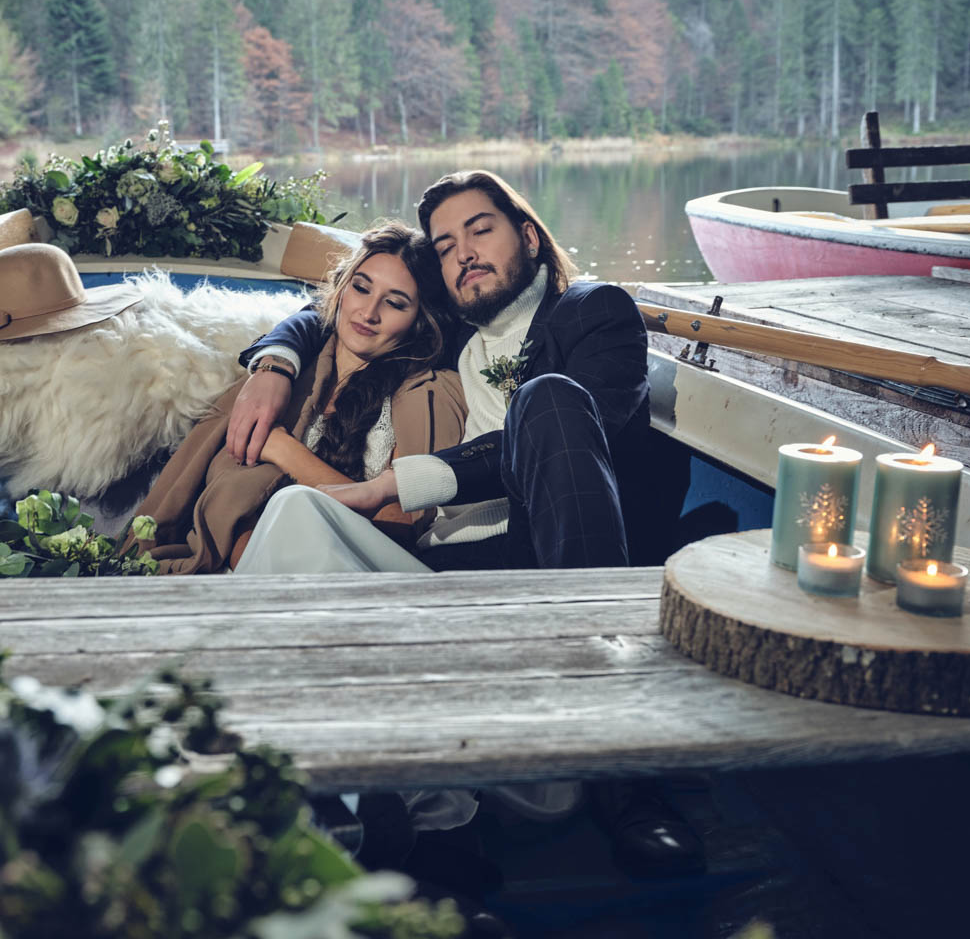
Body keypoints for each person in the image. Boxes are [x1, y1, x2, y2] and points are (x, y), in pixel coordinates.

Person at [228, 171, 704, 876]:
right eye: (446, 247)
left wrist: (395, 484)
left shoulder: (594, 314)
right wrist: (275, 359)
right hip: (440, 579)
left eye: (480, 230)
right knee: (296, 507)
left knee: (547, 399)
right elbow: (332, 312)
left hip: (547, 578)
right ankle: (326, 795)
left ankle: (624, 772)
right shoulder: (452, 326)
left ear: (531, 237)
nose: (463, 256)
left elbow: (585, 427)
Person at [131, 221, 466, 574]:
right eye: (361, 288)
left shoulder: (430, 395)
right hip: (258, 570)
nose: (368, 313)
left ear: (419, 320)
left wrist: (284, 450)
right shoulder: (274, 377)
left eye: (395, 303)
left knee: (295, 504)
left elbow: (400, 524)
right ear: (342, 287)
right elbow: (223, 500)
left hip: (365, 571)